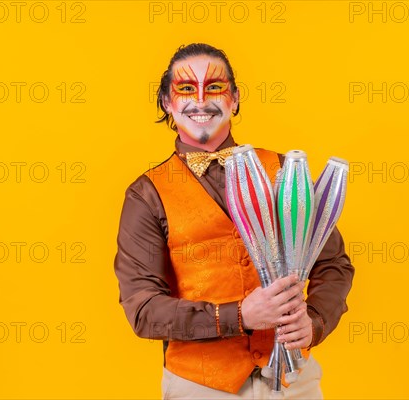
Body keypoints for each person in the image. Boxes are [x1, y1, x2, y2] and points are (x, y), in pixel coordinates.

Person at [114, 43, 355, 399]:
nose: (201, 100)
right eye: (185, 89)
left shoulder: (286, 170)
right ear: (167, 102)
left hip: (294, 382)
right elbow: (144, 308)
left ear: (235, 98)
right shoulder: (146, 194)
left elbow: (333, 263)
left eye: (214, 86)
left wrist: (315, 321)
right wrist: (239, 315)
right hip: (199, 387)